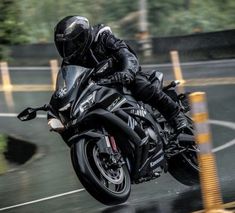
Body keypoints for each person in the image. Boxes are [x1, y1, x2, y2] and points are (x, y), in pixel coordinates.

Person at [53, 16, 187, 132]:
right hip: (98, 89)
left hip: (122, 77)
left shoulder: (101, 36)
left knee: (139, 84)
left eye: (69, 45)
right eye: (63, 46)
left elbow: (126, 54)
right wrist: (55, 106)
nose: (66, 50)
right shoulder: (70, 61)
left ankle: (175, 114)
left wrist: (126, 73)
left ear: (81, 38)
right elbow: (65, 87)